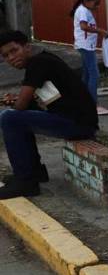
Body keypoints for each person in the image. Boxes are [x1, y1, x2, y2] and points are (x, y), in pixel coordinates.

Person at [0, 31, 98, 199]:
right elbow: (45, 99)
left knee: (9, 118)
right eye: (6, 55)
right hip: (76, 120)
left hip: (78, 123)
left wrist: (16, 103)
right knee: (18, 118)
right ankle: (35, 172)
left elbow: (21, 105)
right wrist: (18, 102)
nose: (11, 58)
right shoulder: (43, 60)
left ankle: (26, 181)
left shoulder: (38, 63)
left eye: (14, 50)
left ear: (27, 47)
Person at [71, 0, 108, 115]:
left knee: (87, 74)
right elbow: (83, 26)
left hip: (85, 45)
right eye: (96, 2)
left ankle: (83, 100)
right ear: (86, 1)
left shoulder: (84, 10)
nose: (97, 6)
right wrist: (100, 31)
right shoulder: (83, 11)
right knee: (94, 74)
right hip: (86, 46)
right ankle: (93, 105)